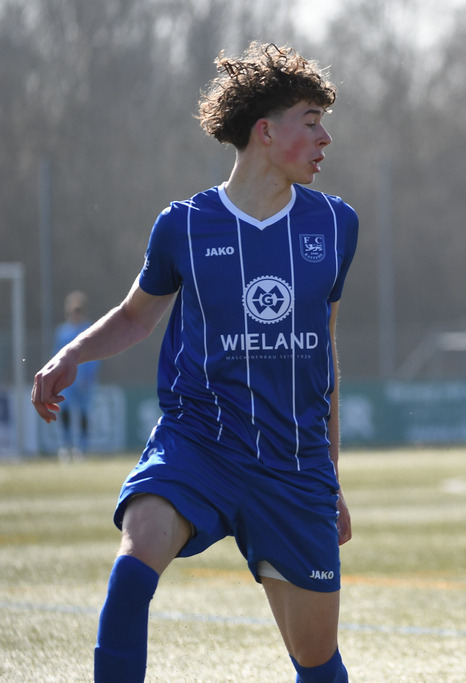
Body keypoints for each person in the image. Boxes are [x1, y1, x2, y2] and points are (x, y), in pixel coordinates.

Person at [30, 42, 358, 683]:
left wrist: (332, 476)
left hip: (294, 464)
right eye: (311, 120)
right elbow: (135, 314)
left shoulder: (337, 225)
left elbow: (326, 358)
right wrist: (72, 353)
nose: (325, 138)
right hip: (198, 442)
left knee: (317, 663)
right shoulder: (183, 225)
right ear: (267, 131)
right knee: (137, 556)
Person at [52, 290, 100, 461]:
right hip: (67, 381)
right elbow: (57, 355)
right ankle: (66, 446)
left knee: (84, 414)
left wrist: (89, 376)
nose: (76, 314)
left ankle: (82, 447)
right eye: (73, 310)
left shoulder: (90, 328)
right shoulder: (62, 332)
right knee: (64, 411)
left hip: (84, 380)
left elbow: (97, 354)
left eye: (79, 310)